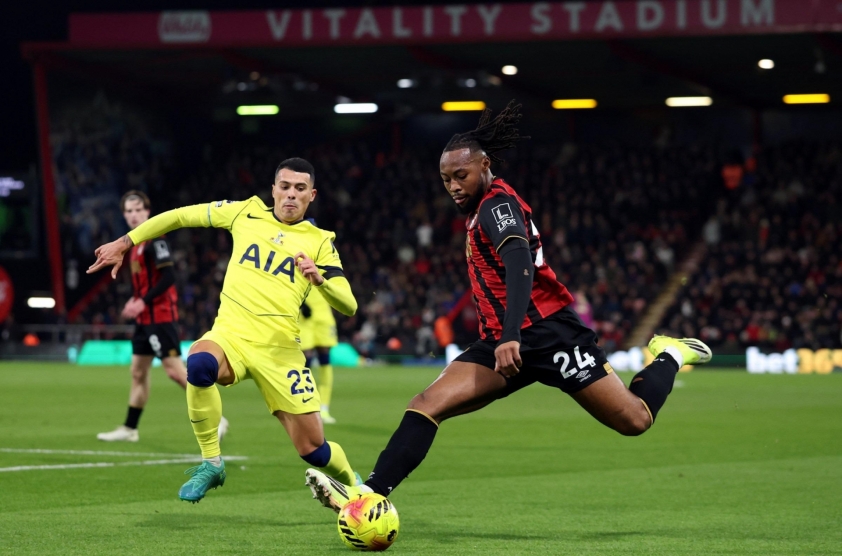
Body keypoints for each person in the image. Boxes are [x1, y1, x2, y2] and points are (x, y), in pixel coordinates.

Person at [303, 102, 712, 510]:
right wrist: (505, 337)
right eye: (446, 179)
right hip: (502, 340)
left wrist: (512, 335)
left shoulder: (497, 206)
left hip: (550, 335)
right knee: (427, 405)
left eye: (461, 175)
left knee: (634, 420)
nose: (453, 186)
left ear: (484, 166)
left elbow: (519, 264)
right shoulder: (482, 207)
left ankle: (670, 354)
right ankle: (367, 498)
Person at [88, 158, 361, 503]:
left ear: (312, 195)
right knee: (199, 364)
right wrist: (125, 242)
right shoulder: (243, 212)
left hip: (280, 352)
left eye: (300, 189)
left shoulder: (320, 241)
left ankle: (355, 482)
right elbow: (178, 216)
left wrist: (319, 279)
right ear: (273, 189)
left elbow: (349, 304)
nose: (291, 194)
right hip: (231, 335)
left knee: (313, 450)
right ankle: (212, 462)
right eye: (285, 186)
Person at [97, 191, 229, 443]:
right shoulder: (135, 245)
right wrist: (136, 300)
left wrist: (141, 301)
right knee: (138, 371)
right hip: (144, 319)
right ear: (124, 215)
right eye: (129, 211)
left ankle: (218, 418)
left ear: (148, 212)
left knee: (175, 372)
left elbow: (169, 277)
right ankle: (130, 429)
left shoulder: (156, 239)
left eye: (138, 210)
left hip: (160, 316)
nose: (134, 215)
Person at [299, 275, 340, 424]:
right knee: (305, 360)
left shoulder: (325, 254)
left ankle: (324, 408)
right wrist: (302, 303)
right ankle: (305, 406)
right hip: (305, 317)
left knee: (325, 359)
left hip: (323, 314)